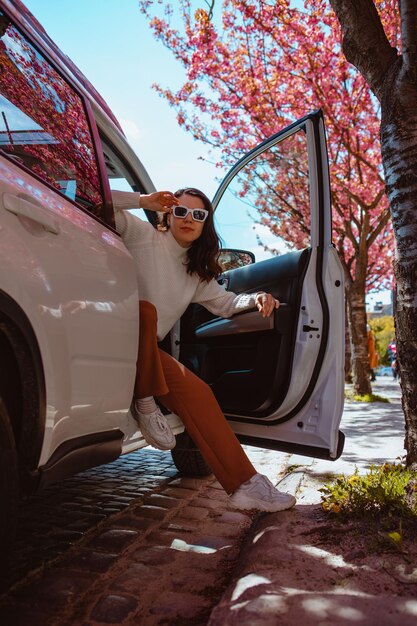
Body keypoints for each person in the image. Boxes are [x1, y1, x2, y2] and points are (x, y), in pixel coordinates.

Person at [111, 187, 296, 513]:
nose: (188, 220)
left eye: (198, 215)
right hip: (107, 333)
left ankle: (245, 485)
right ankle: (145, 401)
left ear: (205, 224)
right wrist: (141, 202)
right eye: (181, 211)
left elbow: (225, 304)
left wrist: (255, 299)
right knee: (145, 312)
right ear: (168, 214)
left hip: (145, 353)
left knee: (199, 393)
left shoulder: (194, 272)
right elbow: (95, 201)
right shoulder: (142, 235)